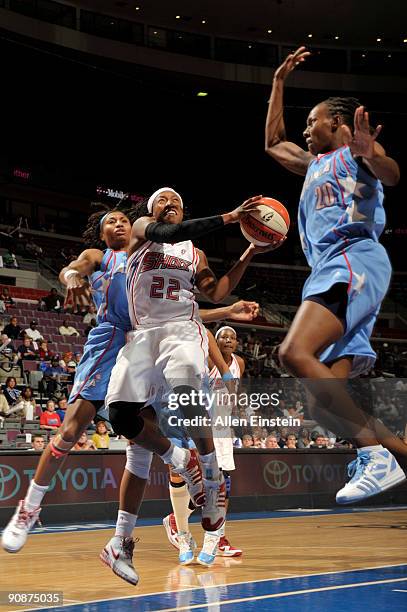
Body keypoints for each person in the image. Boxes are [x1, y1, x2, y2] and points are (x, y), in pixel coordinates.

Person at [1, 203, 257, 565]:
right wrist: (73, 277)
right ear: (102, 233)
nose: (119, 224)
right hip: (110, 342)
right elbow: (74, 268)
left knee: (138, 450)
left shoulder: (156, 256)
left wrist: (227, 311)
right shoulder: (102, 256)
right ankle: (28, 509)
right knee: (72, 427)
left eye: (123, 219)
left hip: (146, 342)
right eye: (111, 222)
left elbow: (183, 307)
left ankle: (121, 541)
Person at [102, 187, 280, 583]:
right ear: (150, 211)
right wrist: (231, 218)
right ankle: (182, 461)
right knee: (119, 415)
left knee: (185, 385)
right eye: (162, 201)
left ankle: (212, 482)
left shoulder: (193, 252)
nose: (169, 206)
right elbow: (162, 234)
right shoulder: (143, 232)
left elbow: (215, 291)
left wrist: (249, 250)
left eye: (176, 203)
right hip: (144, 333)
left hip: (184, 329)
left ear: (184, 211)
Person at [265, 46, 406, 503]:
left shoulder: (355, 155)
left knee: (293, 352)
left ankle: (373, 455)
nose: (306, 128)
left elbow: (391, 172)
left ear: (338, 125)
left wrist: (370, 153)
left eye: (313, 121)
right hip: (334, 268)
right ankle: (396, 454)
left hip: (352, 258)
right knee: (321, 404)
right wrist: (278, 82)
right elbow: (272, 144)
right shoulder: (314, 164)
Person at [163, 325, 245, 566]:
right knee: (197, 484)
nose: (228, 340)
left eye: (232, 337)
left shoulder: (239, 363)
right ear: (213, 342)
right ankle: (179, 523)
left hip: (223, 429)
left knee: (224, 485)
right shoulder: (206, 359)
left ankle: (217, 537)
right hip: (201, 427)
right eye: (222, 337)